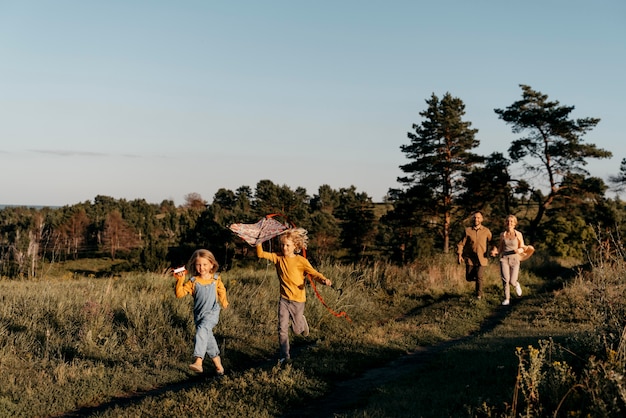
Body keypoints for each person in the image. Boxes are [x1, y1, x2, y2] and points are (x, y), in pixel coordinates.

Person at [256, 228, 332, 363]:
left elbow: (314, 274)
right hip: (284, 300)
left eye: (287, 245)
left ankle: (301, 321)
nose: (284, 247)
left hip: (298, 300)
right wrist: (258, 240)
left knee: (297, 331)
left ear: (295, 246)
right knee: (282, 328)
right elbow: (261, 254)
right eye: (282, 244)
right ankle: (285, 355)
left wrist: (323, 280)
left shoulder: (301, 261)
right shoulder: (278, 257)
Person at [174, 249, 229, 375]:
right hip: (199, 314)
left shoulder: (216, 279)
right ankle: (218, 365)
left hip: (212, 313)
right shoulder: (193, 281)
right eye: (198, 264)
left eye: (205, 264)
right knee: (207, 338)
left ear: (211, 265)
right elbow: (179, 294)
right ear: (194, 265)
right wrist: (180, 280)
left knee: (202, 330)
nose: (202, 267)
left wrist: (224, 301)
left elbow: (222, 290)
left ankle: (198, 361)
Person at [457, 211, 496, 300]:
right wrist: (459, 255)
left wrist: (494, 249)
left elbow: (492, 242)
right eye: (475, 217)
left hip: (482, 258)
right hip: (470, 258)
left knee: (479, 276)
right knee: (468, 277)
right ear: (472, 219)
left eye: (478, 217)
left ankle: (478, 295)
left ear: (481, 219)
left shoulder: (486, 231)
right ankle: (479, 281)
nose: (476, 219)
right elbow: (461, 244)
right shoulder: (467, 231)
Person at [492, 215, 527, 306]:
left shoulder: (518, 234)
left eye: (511, 221)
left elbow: (523, 247)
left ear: (515, 223)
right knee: (505, 280)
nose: (509, 223)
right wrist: (495, 252)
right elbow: (500, 248)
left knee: (512, 281)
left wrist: (518, 250)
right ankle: (507, 298)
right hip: (504, 259)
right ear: (505, 223)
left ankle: (516, 284)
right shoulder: (502, 235)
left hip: (515, 258)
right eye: (508, 221)